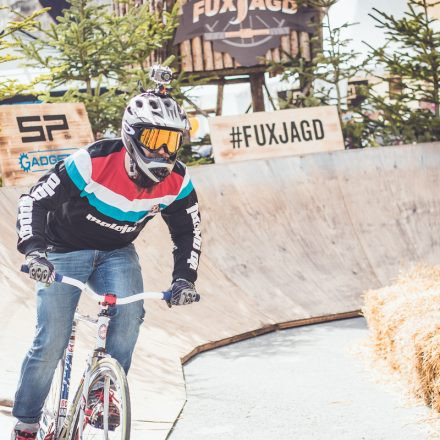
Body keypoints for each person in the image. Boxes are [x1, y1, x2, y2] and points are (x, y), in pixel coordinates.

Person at [11, 77, 202, 439]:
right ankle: (27, 422)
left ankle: (104, 392)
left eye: (172, 142)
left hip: (117, 253)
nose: (164, 153)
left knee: (129, 316)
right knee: (50, 341)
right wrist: (34, 250)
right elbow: (33, 200)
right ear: (131, 136)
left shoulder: (177, 180)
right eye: (155, 140)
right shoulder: (92, 161)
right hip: (62, 250)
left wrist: (184, 279)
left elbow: (188, 231)